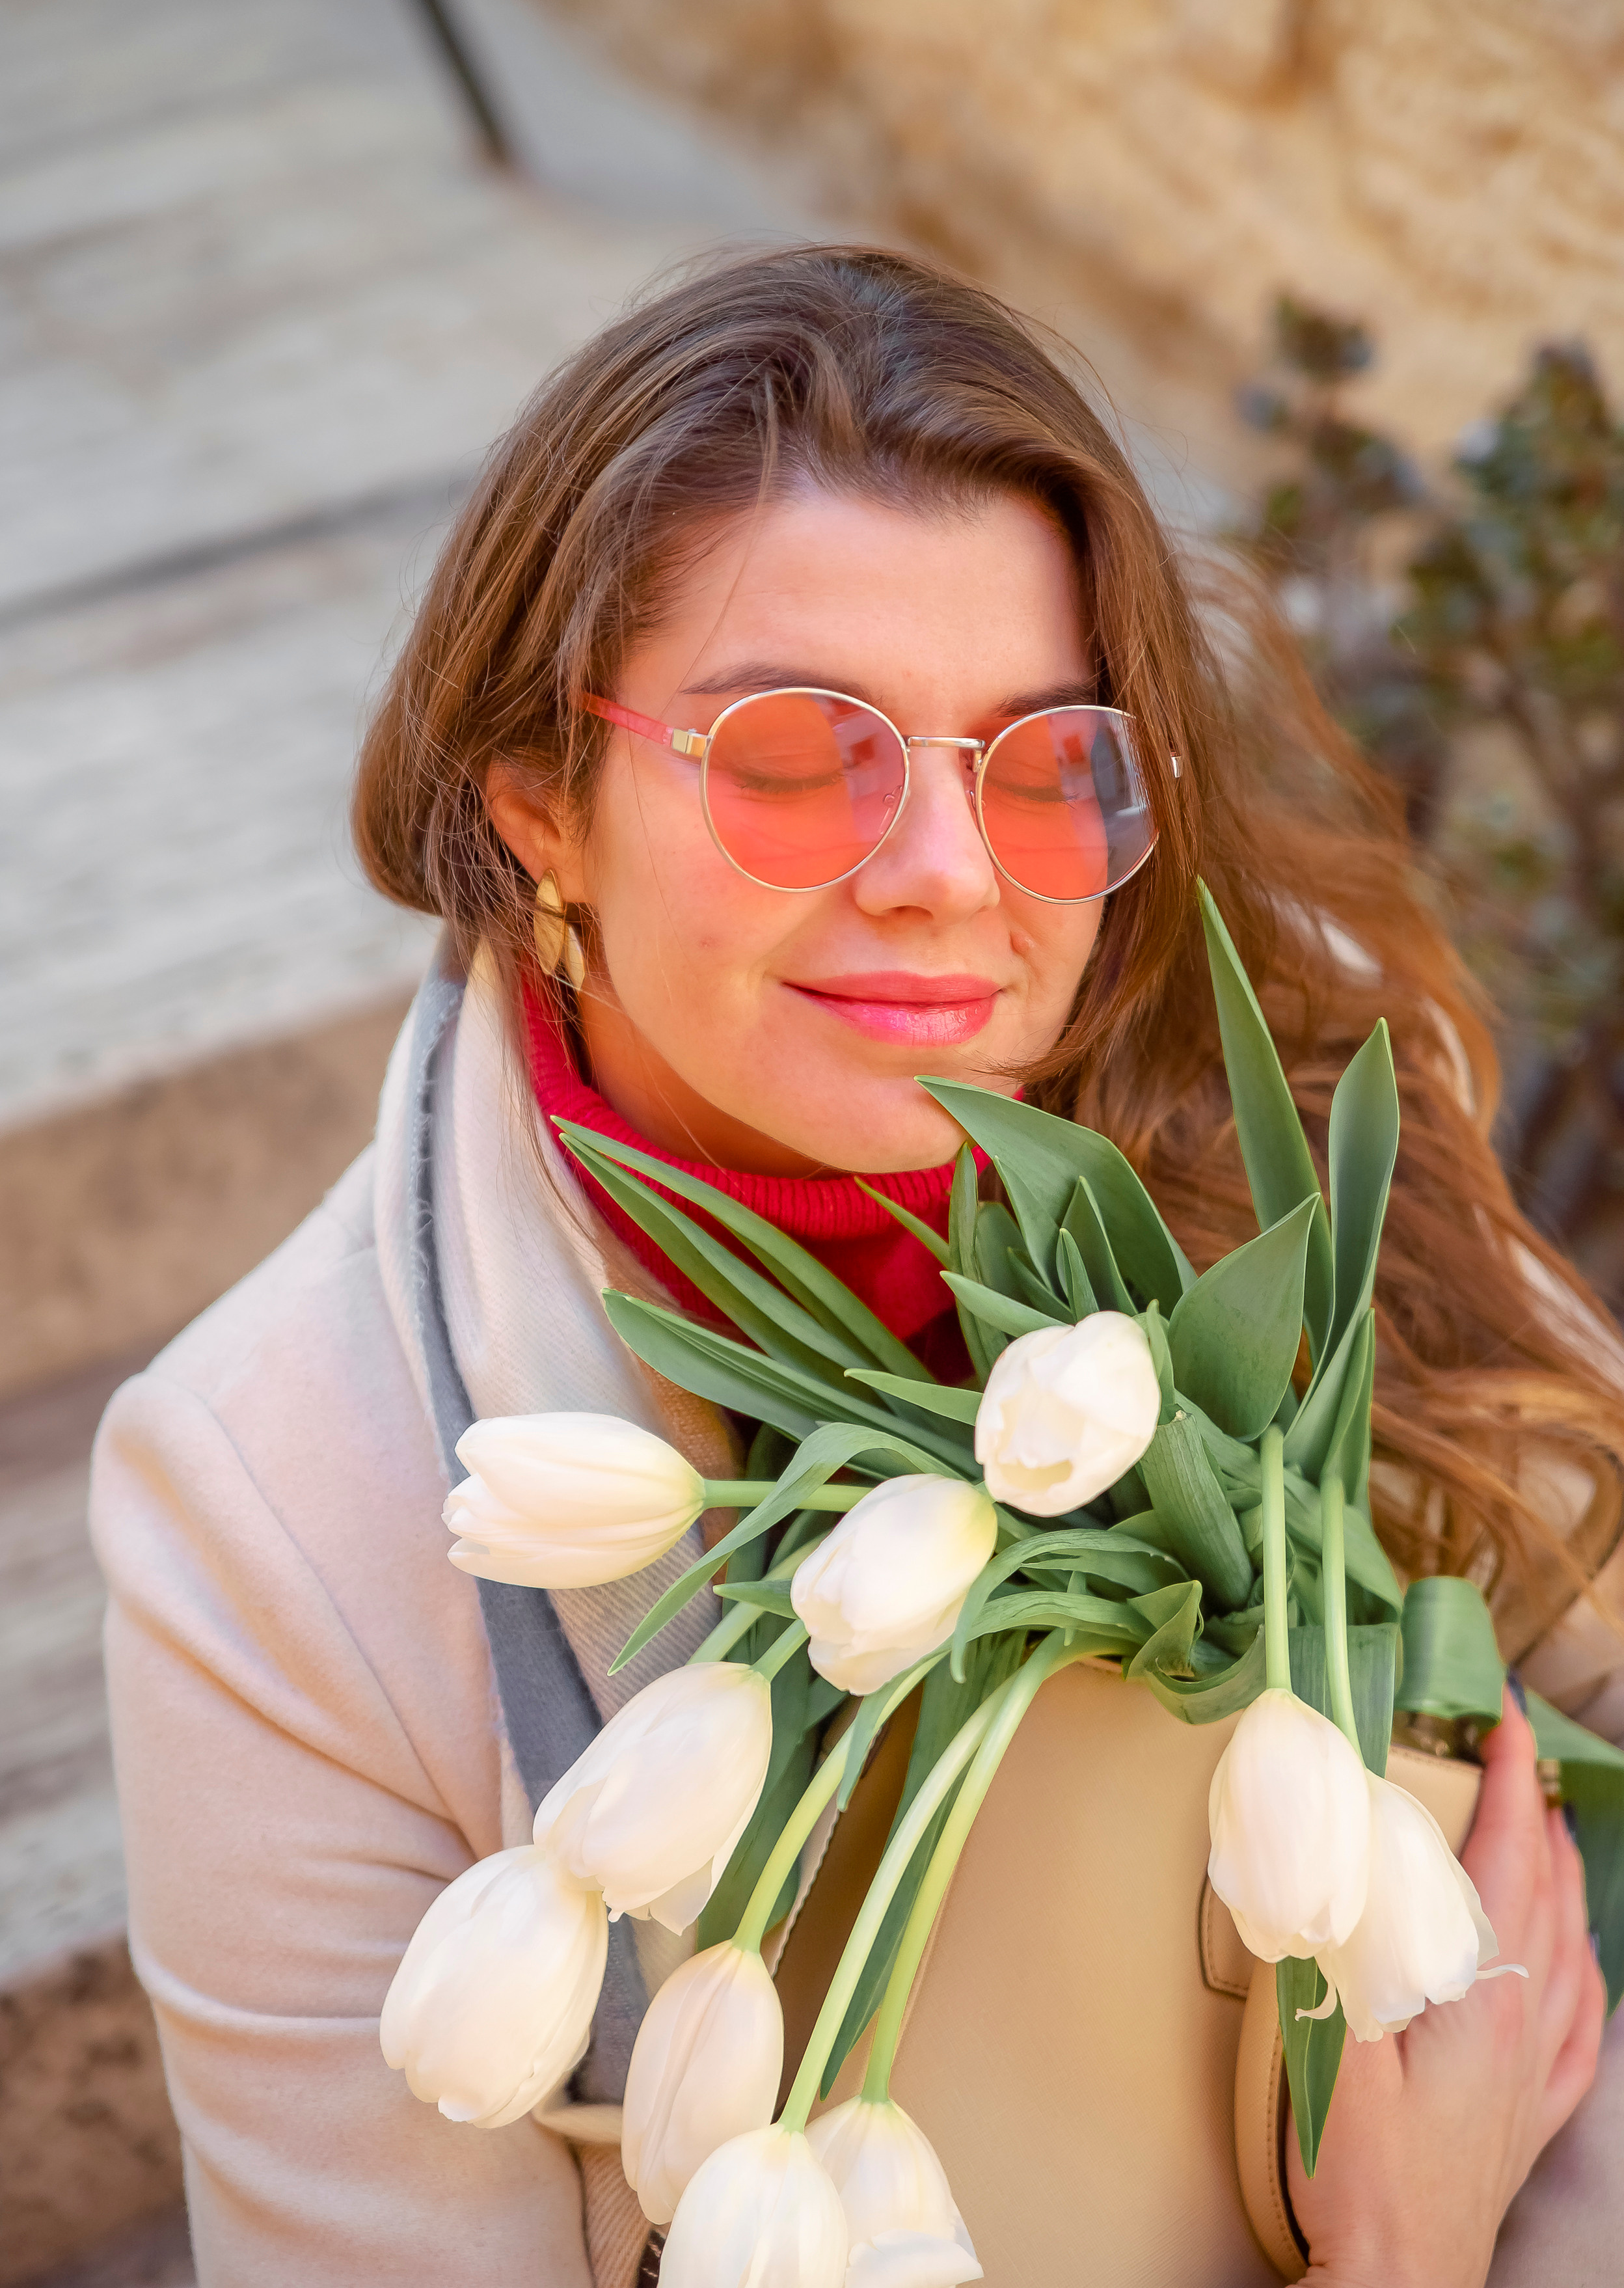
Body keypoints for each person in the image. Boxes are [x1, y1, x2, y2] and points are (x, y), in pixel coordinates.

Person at [92, 245, 1623, 2287]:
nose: (945, 876)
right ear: (543, 800)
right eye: (802, 755)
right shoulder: (270, 1513)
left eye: (1041, 759)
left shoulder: (1309, 1091)